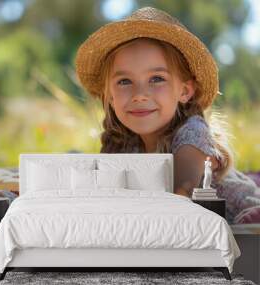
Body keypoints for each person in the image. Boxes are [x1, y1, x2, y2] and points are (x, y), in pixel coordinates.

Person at [74, 6, 260, 224]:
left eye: (156, 79)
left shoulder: (192, 131)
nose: (140, 95)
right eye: (125, 81)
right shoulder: (125, 145)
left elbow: (182, 189)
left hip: (243, 225)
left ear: (184, 91)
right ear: (110, 96)